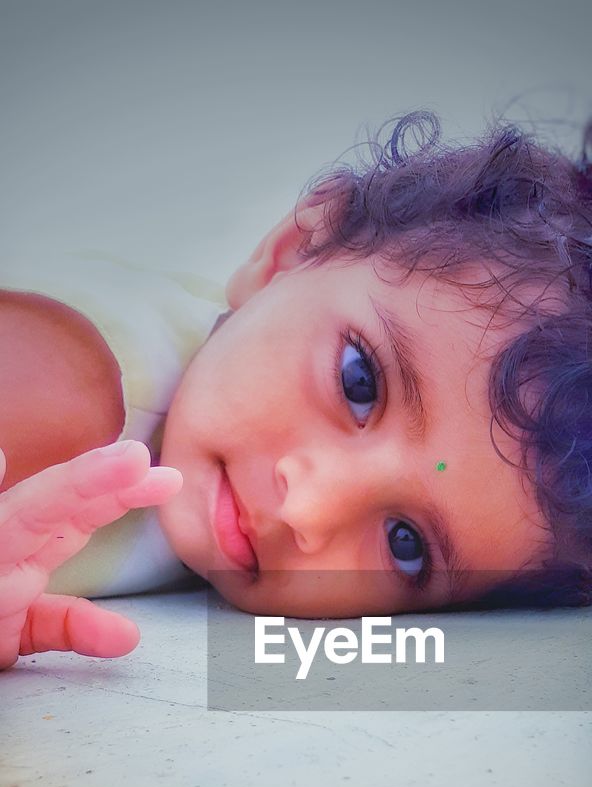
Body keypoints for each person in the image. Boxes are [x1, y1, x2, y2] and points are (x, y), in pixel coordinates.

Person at [1, 110, 591, 669]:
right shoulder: (75, 382)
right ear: (287, 255)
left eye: (405, 543)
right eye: (359, 383)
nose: (309, 510)